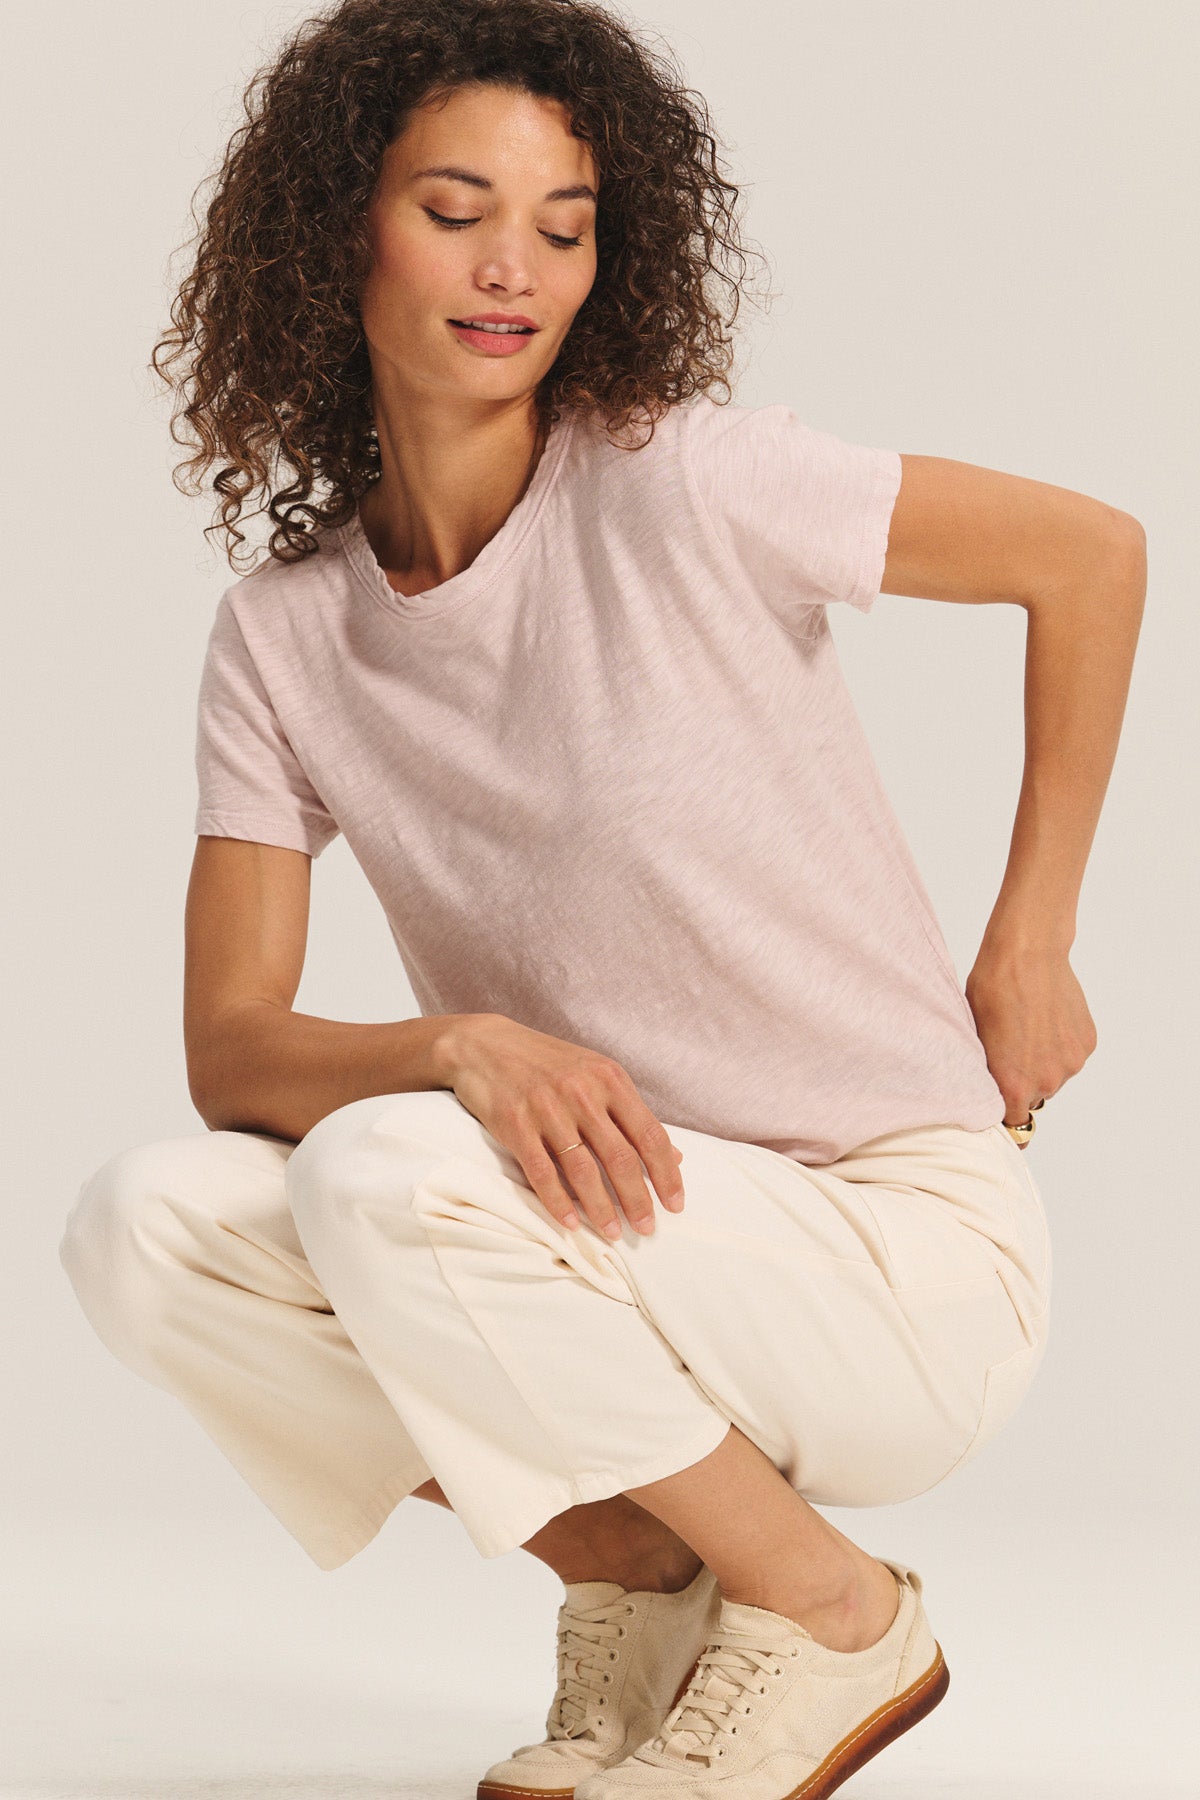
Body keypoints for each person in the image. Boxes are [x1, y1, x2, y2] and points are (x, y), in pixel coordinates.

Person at [58, 3, 1146, 1796]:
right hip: (603, 1227)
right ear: (338, 231)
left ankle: (837, 1615)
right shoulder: (284, 636)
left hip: (894, 1247)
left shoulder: (688, 480)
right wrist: (467, 1043)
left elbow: (1087, 556)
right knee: (146, 1227)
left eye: (565, 227)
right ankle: (636, 1567)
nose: (517, 270)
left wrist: (1033, 932)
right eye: (459, 210)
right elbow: (231, 1051)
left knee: (386, 1167)